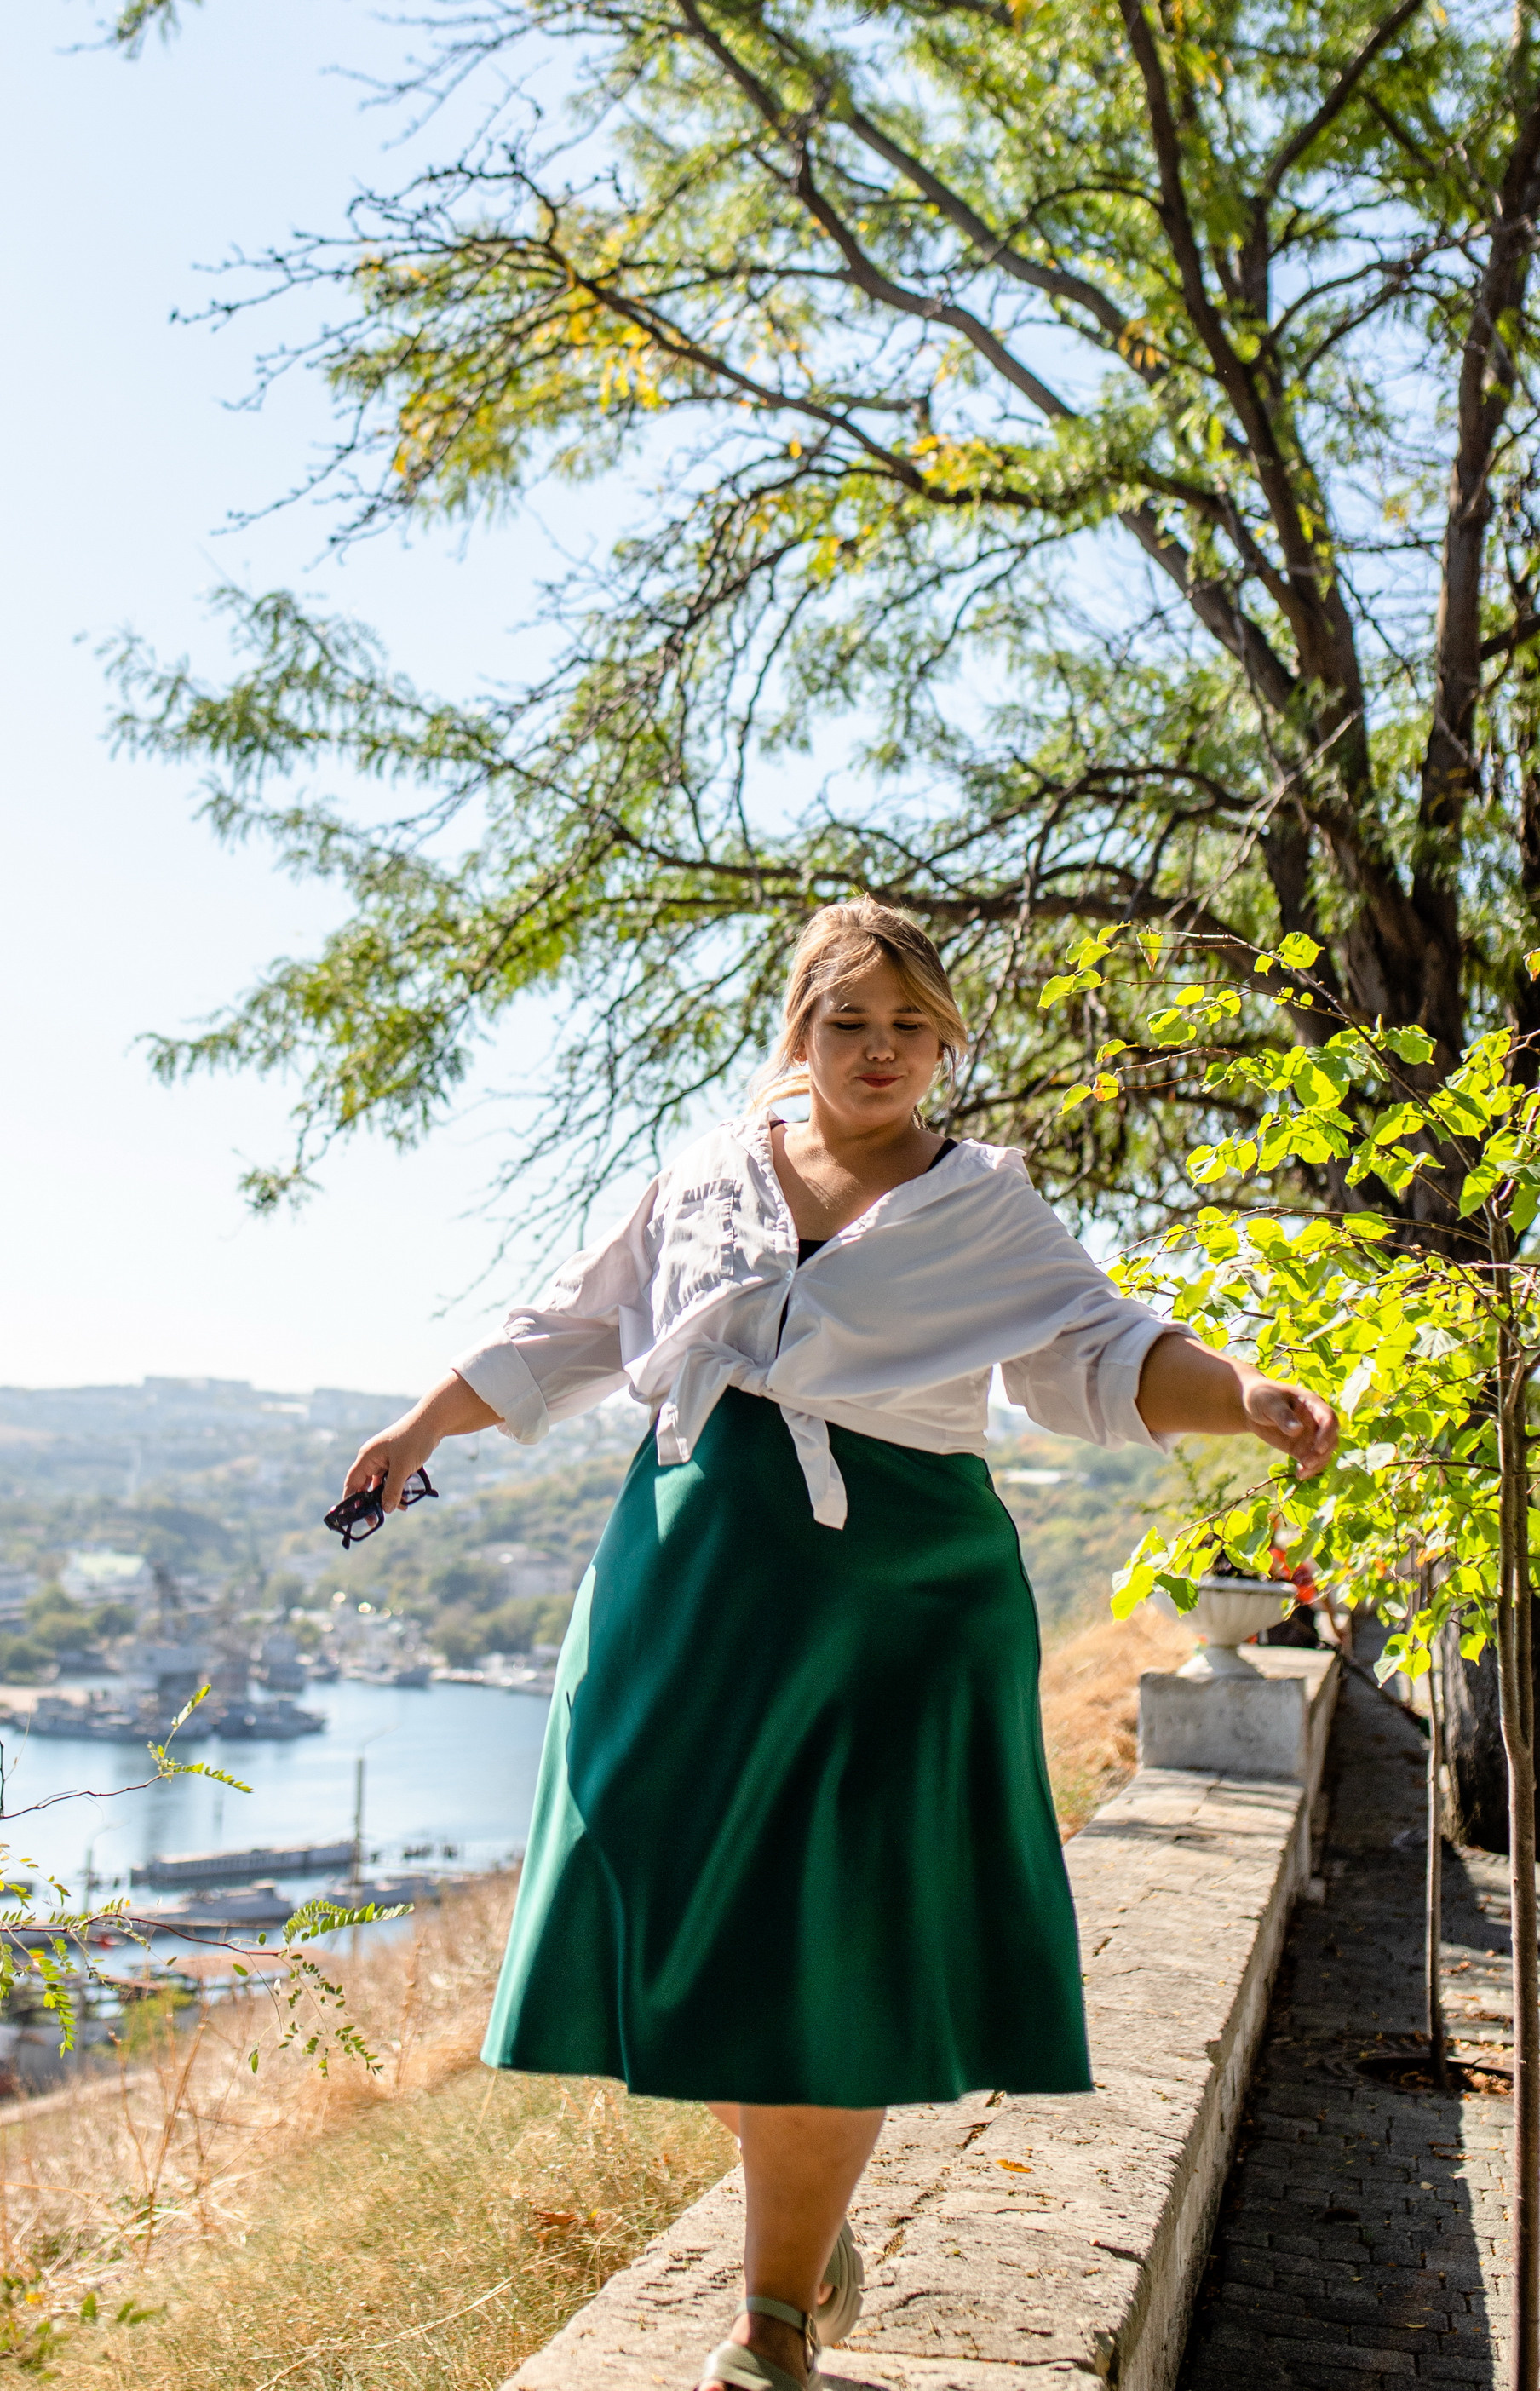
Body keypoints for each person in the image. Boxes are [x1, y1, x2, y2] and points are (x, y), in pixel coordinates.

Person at [343, 901, 1337, 2391]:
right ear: (797, 1036)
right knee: (647, 1885)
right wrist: (426, 1421)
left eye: (907, 1026)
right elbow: (571, 1329)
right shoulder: (703, 1176)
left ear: (946, 1042)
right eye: (846, 1023)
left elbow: (1096, 1350)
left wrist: (1243, 1389)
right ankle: (805, 2226)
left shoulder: (983, 1203)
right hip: (687, 1590)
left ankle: (772, 2321)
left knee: (830, 1944)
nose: (878, 1052)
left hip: (901, 1603)